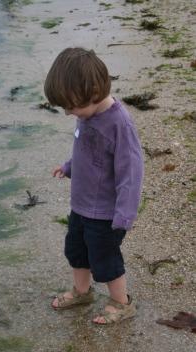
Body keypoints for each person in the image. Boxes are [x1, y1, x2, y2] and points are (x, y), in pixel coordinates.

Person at [44, 47, 144, 324]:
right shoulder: (85, 116)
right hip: (81, 206)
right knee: (76, 251)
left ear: (95, 92)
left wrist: (125, 214)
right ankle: (82, 292)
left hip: (106, 214)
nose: (68, 113)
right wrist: (68, 167)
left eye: (71, 106)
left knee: (105, 259)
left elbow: (131, 173)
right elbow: (86, 153)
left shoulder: (119, 125)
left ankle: (121, 303)